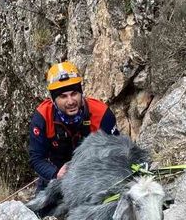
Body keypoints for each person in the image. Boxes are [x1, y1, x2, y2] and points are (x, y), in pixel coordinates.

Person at [29, 61, 120, 192]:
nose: (71, 101)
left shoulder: (102, 114)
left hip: (94, 175)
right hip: (58, 175)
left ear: (81, 92)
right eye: (63, 96)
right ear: (53, 99)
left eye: (74, 94)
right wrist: (56, 174)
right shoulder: (43, 117)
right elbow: (36, 158)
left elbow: (115, 152)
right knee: (42, 209)